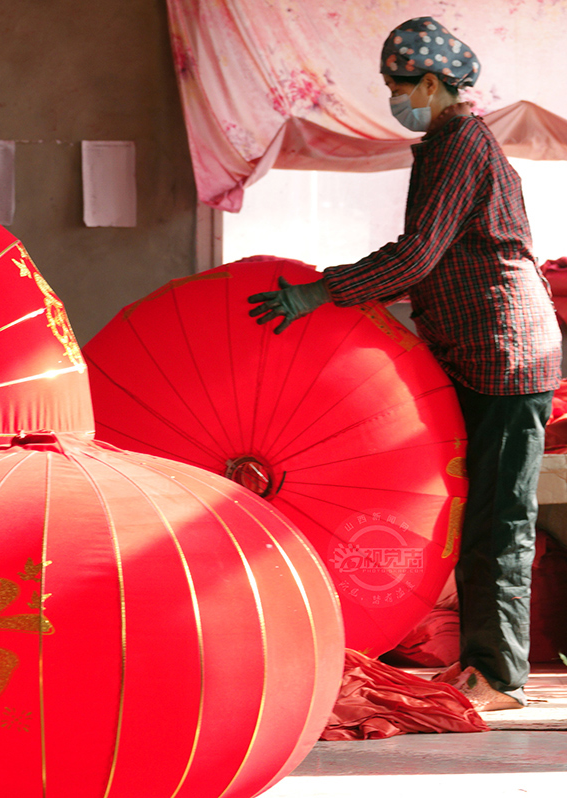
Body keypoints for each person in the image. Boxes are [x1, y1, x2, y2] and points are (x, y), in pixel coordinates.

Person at [248, 17, 561, 711]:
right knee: (480, 512)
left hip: (504, 353)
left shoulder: (459, 145)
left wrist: (321, 292)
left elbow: (418, 254)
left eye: (397, 85)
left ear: (429, 81)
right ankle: (485, 663)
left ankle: (499, 676)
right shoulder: (451, 144)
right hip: (484, 350)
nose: (393, 97)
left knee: (498, 516)